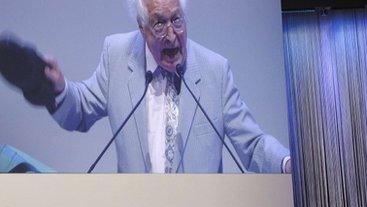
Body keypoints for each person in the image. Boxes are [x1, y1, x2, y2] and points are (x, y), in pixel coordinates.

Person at [42, 0, 291, 173]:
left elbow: (252, 144)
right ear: (142, 28)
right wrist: (59, 88)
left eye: (177, 20)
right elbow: (81, 109)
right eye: (159, 23)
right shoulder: (117, 54)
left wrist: (288, 163)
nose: (171, 35)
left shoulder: (215, 69)